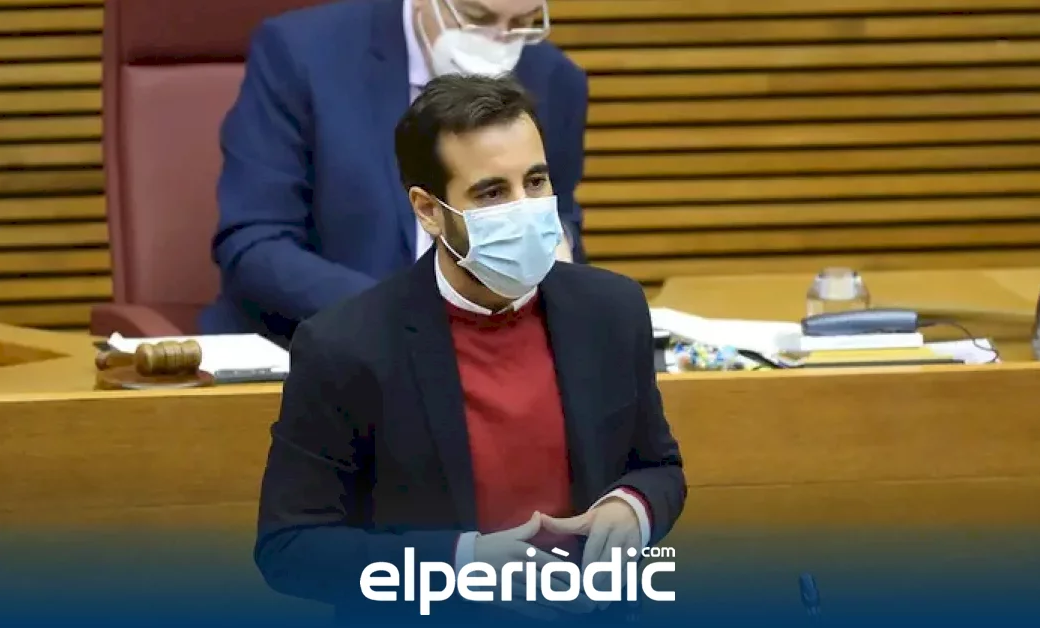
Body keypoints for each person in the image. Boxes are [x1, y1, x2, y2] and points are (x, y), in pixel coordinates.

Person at [255, 74, 685, 621]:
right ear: (428, 210)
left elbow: (659, 468)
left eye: (535, 182)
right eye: (492, 193)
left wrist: (633, 509)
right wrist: (459, 566)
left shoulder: (611, 310)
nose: (525, 208)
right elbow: (290, 548)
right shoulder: (345, 346)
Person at [201, 0, 589, 343]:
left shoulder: (554, 79)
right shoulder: (302, 53)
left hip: (492, 351)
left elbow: (559, 221)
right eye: (477, 17)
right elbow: (254, 244)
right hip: (319, 349)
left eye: (522, 22)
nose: (500, 41)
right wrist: (406, 317)